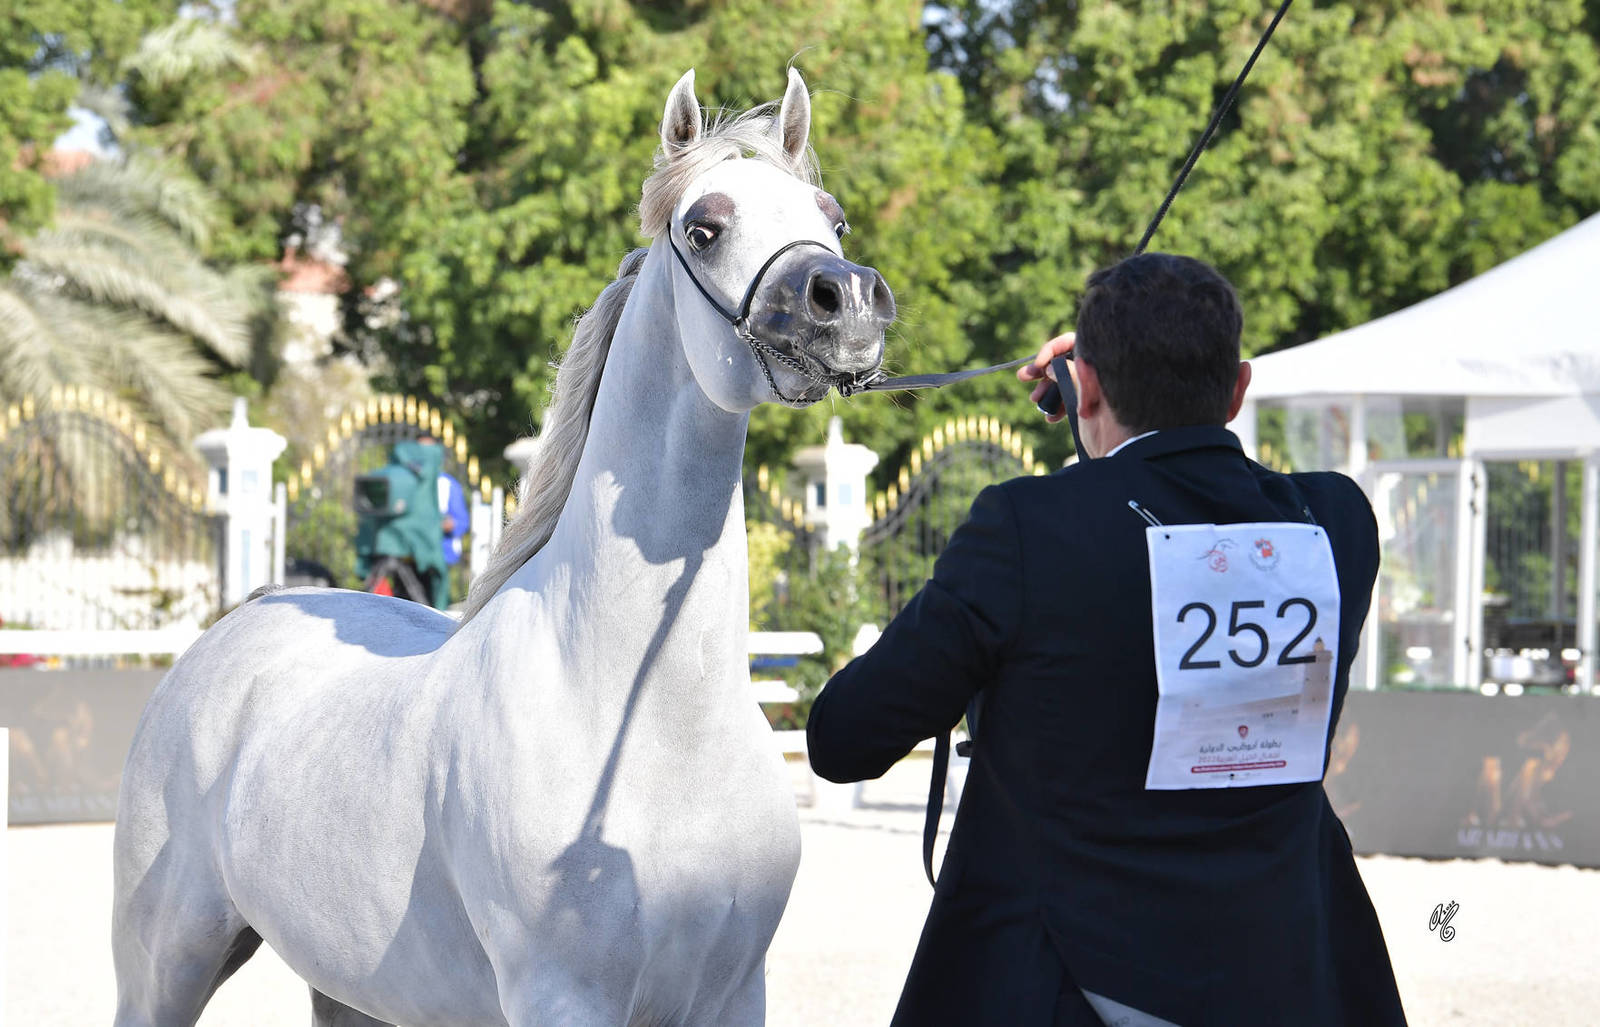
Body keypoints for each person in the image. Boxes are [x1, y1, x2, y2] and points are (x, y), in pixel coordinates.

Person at [805, 253, 1406, 1026]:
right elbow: (1164, 533)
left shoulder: (1027, 529)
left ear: (1083, 386)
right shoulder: (1337, 523)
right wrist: (1105, 425)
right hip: (1290, 979)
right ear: (1238, 389)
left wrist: (1095, 429)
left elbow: (843, 739)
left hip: (1071, 990)